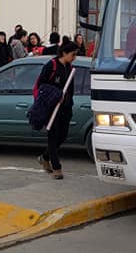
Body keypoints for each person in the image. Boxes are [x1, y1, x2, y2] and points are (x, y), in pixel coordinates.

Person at [36, 42, 79, 180]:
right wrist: (56, 95)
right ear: (64, 53)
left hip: (65, 107)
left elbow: (70, 89)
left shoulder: (70, 68)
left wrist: (69, 103)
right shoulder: (51, 65)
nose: (74, 57)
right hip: (52, 107)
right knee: (53, 136)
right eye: (73, 54)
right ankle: (56, 167)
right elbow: (41, 85)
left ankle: (45, 157)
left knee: (62, 136)